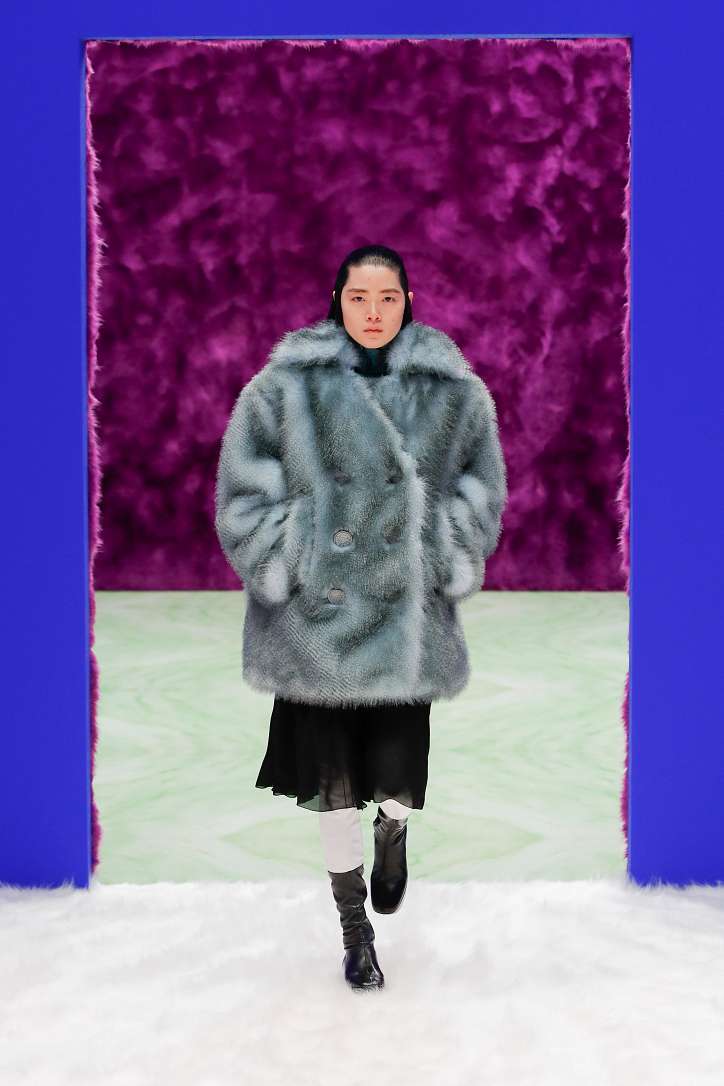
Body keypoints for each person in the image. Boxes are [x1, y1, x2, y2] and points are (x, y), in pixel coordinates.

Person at [215, 244, 508, 992]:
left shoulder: (454, 393)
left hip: (405, 621)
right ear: (336, 302)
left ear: (409, 301)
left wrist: (442, 548)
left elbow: (479, 487)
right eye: (358, 298)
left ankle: (395, 828)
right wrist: (293, 554)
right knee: (333, 785)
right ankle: (355, 933)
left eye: (387, 298)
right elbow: (244, 497)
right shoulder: (282, 389)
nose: (373, 313)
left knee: (399, 779)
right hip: (316, 623)